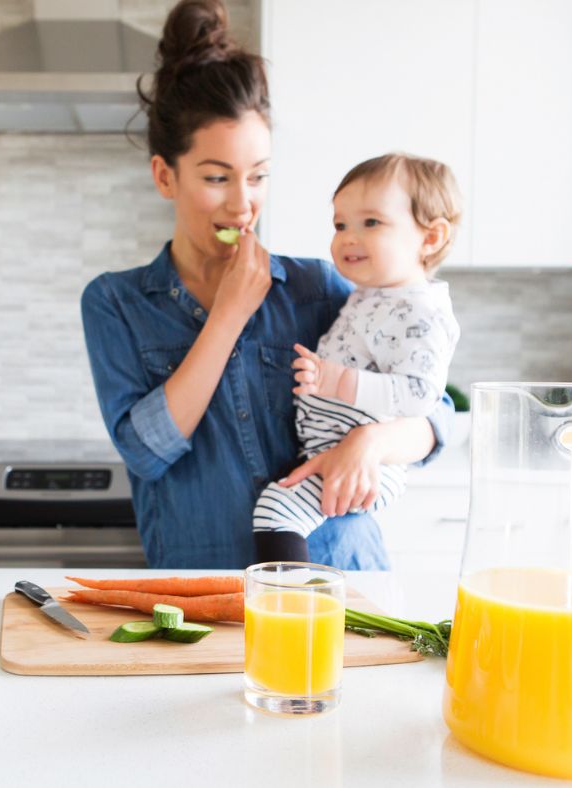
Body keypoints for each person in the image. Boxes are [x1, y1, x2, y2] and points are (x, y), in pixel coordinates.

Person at [80, 0, 453, 570]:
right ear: (164, 175)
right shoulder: (117, 302)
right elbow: (145, 451)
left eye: (258, 176)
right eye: (216, 177)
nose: (242, 202)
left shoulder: (320, 286)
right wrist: (228, 314)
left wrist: (370, 443)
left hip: (343, 580)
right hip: (205, 592)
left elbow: (435, 409)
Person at [252, 153, 461, 561]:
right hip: (332, 445)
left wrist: (337, 383)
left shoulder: (423, 310)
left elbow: (422, 395)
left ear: (430, 238)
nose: (348, 237)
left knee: (277, 509)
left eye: (371, 222)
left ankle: (287, 605)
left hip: (368, 463)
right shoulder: (373, 294)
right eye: (340, 224)